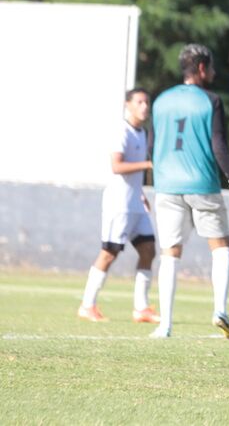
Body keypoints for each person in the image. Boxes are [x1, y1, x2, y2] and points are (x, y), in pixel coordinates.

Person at [148, 43, 229, 339]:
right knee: (220, 248)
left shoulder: (160, 101)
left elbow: (152, 146)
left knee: (170, 253)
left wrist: (150, 184)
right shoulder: (211, 100)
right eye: (212, 67)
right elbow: (218, 143)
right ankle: (220, 308)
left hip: (166, 185)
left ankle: (165, 324)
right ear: (202, 68)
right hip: (202, 184)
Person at [78, 88, 160, 324]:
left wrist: (142, 194)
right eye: (140, 102)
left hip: (135, 202)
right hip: (119, 204)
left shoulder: (142, 133)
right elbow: (117, 166)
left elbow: (135, 172)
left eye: (147, 102)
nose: (145, 106)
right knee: (109, 253)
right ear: (128, 105)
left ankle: (141, 308)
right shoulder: (121, 130)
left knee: (148, 250)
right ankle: (87, 304)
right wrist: (148, 164)